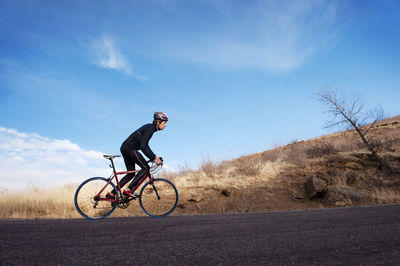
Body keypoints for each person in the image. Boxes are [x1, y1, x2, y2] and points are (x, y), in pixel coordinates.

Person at [107, 112, 168, 199]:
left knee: (130, 174)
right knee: (146, 168)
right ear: (158, 122)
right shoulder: (150, 128)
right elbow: (144, 146)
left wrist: (153, 157)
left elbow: (144, 145)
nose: (165, 125)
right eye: (164, 123)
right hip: (129, 148)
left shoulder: (150, 128)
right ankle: (129, 190)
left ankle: (112, 193)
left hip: (125, 148)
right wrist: (154, 158)